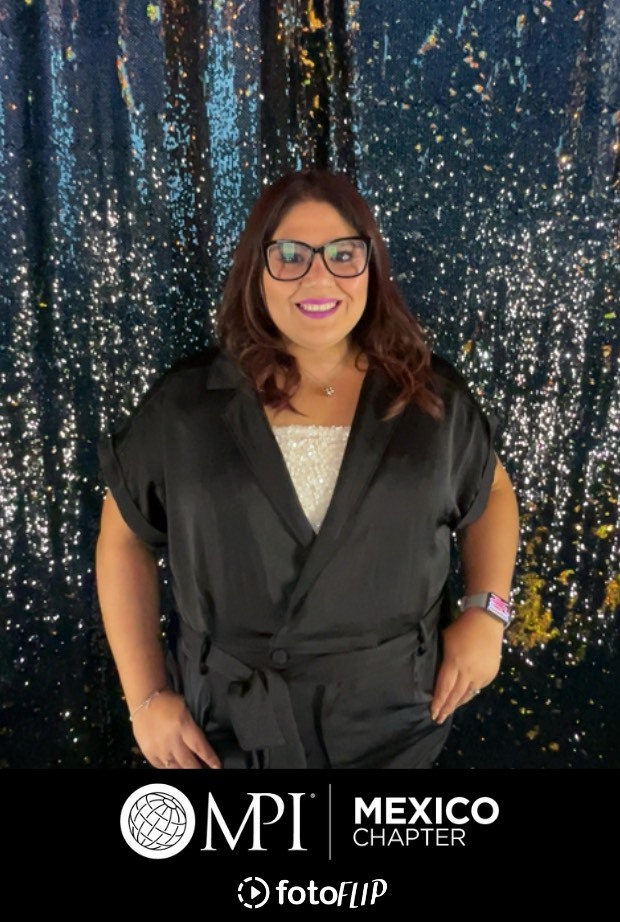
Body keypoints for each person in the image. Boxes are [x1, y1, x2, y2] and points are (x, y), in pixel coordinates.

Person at [95, 168, 520, 770]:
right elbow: (123, 539)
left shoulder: (433, 400)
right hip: (226, 732)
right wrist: (145, 697)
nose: (319, 278)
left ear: (370, 266)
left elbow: (491, 492)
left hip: (396, 722)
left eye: (343, 254)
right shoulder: (183, 407)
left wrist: (487, 612)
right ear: (257, 269)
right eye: (291, 255)